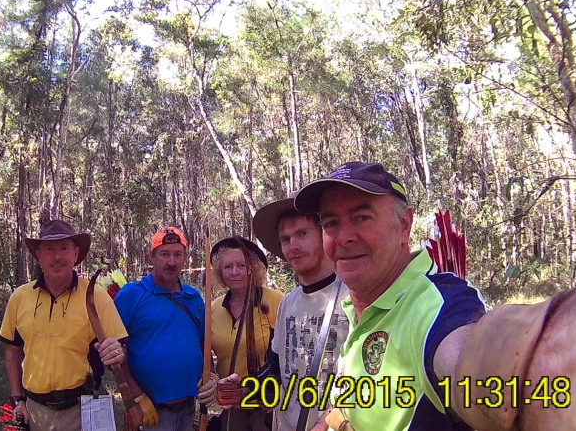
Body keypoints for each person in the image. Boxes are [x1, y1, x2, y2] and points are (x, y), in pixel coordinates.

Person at [294, 161, 488, 430]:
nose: (344, 237)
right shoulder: (361, 306)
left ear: (404, 225)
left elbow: (468, 368)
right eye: (331, 223)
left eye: (362, 217)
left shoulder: (435, 303)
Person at [218, 192, 350, 431]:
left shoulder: (352, 297)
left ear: (324, 235)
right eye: (285, 239)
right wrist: (246, 389)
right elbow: (276, 369)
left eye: (302, 234)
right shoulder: (288, 303)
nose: (293, 246)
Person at [0, 219, 127, 431]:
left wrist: (118, 353)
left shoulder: (96, 296)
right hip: (37, 411)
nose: (57, 256)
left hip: (85, 407)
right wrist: (18, 400)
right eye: (49, 249)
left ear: (75, 254)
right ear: (38, 255)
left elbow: (121, 350)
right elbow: (12, 352)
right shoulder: (20, 298)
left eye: (64, 248)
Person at [113, 226, 218, 430]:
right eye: (164, 254)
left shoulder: (193, 298)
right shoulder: (131, 295)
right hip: (149, 411)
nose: (171, 262)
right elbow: (114, 357)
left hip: (188, 409)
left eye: (178, 254)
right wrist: (136, 397)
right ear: (152, 257)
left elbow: (204, 346)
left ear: (185, 258)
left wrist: (212, 377)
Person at [209, 236, 284, 431]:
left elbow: (286, 355)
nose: (235, 272)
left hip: (267, 403)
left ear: (253, 269)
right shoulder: (214, 308)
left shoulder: (277, 301)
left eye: (241, 265)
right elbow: (204, 354)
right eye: (228, 267)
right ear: (220, 272)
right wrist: (213, 381)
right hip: (232, 406)